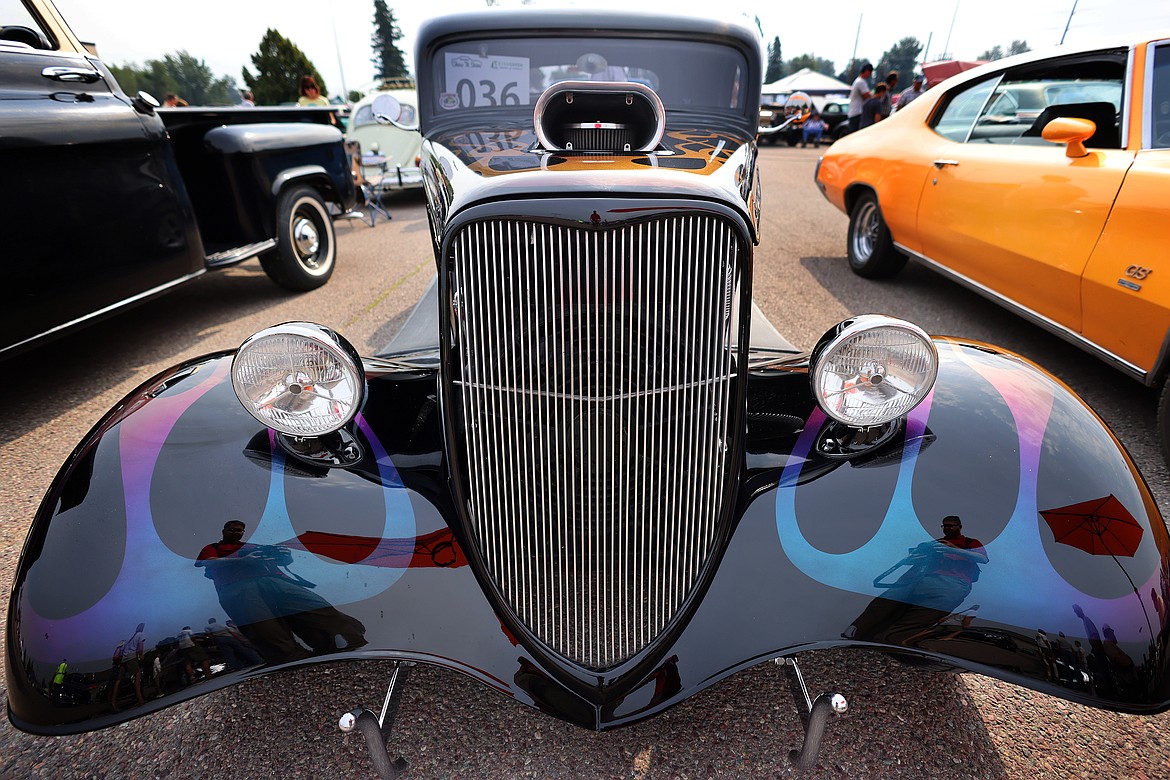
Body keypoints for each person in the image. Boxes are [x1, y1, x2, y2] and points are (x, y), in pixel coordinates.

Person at [196, 520, 366, 662]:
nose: (237, 533)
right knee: (266, 632)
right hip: (238, 587)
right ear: (224, 530)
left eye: (240, 530)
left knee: (320, 611)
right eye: (233, 529)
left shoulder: (253, 545)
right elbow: (208, 562)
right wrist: (242, 560)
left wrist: (284, 556)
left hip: (277, 581)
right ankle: (295, 664)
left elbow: (280, 560)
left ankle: (348, 645)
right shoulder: (213, 547)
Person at [846, 62, 873, 134]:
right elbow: (868, 97)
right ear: (867, 71)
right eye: (870, 72)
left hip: (854, 113)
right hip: (857, 113)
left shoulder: (858, 81)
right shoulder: (861, 82)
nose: (871, 74)